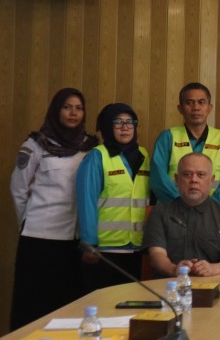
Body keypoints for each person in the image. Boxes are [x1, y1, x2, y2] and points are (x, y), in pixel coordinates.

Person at [9, 88, 99, 329]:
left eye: (79, 108)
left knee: (68, 305)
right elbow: (18, 189)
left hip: (74, 239)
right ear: (56, 110)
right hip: (39, 238)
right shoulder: (36, 144)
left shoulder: (89, 146)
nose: (73, 113)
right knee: (34, 305)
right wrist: (28, 224)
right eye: (67, 107)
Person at [76, 103, 150, 291]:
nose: (125, 127)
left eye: (130, 122)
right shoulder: (96, 157)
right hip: (103, 250)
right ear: (107, 126)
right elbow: (87, 202)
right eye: (118, 122)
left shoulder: (143, 155)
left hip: (137, 247)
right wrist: (89, 243)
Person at [143, 153, 220, 278]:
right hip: (170, 284)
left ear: (211, 180)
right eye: (187, 174)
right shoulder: (159, 213)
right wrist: (173, 269)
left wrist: (214, 269)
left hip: (214, 283)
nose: (194, 180)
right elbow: (156, 254)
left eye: (201, 174)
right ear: (177, 180)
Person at [150, 82, 220, 204]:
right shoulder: (167, 138)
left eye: (201, 102)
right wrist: (182, 205)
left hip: (212, 210)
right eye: (189, 103)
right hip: (173, 210)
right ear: (180, 108)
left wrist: (209, 207)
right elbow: (158, 179)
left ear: (210, 107)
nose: (196, 107)